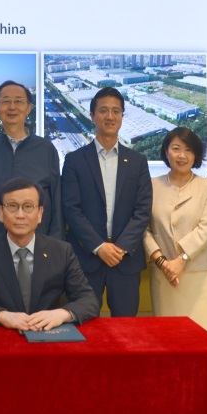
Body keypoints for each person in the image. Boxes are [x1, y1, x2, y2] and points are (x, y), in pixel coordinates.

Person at [61, 87, 153, 316]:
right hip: (86, 257)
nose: (110, 116)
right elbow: (71, 209)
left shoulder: (138, 161)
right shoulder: (74, 160)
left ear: (122, 116)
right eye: (103, 111)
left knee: (125, 327)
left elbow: (143, 210)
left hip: (125, 259)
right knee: (84, 324)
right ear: (92, 115)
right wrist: (99, 246)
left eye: (116, 111)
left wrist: (120, 247)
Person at [0, 177, 99, 330]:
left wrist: (62, 314)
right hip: (1, 336)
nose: (20, 215)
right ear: (1, 212)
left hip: (47, 335)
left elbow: (89, 300)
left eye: (28, 206)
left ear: (40, 213)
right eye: (12, 206)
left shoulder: (62, 252)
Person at [144, 126, 207, 336]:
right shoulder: (151, 186)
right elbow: (143, 229)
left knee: (203, 339)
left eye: (188, 150)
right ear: (166, 151)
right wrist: (162, 262)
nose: (182, 155)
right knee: (168, 340)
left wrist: (181, 260)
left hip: (199, 275)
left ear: (196, 154)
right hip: (164, 276)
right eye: (176, 148)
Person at [0, 80, 61, 252]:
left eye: (18, 101)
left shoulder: (46, 149)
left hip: (39, 246)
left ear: (28, 108)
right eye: (5, 101)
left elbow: (56, 204)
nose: (12, 107)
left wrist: (56, 250)